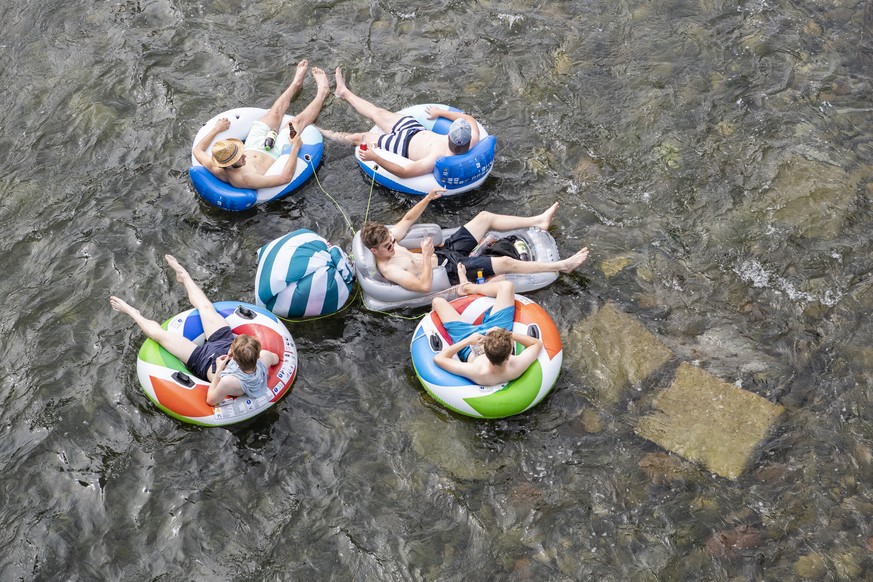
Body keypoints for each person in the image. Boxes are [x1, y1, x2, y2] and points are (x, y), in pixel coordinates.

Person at [109, 255, 279, 406]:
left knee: (159, 335)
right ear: (257, 354)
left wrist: (219, 369)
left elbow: (211, 400)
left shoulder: (229, 382)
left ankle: (133, 312)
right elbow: (277, 358)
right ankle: (183, 276)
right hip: (224, 341)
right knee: (206, 307)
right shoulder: (263, 358)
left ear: (232, 353)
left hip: (204, 361)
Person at [359, 187, 590, 293]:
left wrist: (428, 198)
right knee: (505, 264)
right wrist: (427, 256)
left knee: (484, 217)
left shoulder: (390, 241)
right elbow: (423, 286)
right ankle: (562, 266)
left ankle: (538, 221)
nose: (393, 245)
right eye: (388, 246)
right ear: (375, 251)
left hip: (445, 254)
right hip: (449, 272)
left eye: (392, 240)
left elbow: (408, 219)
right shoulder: (390, 269)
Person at [318, 67, 481, 178]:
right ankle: (344, 92)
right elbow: (468, 119)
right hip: (414, 129)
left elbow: (404, 172)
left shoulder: (438, 158)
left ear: (451, 136)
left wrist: (375, 157)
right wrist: (440, 112)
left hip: (400, 145)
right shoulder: (472, 139)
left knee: (359, 138)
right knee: (378, 112)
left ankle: (325, 133)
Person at [193, 60, 330, 190]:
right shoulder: (245, 179)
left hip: (253, 144)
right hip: (274, 153)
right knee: (295, 122)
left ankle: (296, 83)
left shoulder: (216, 164)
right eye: (240, 157)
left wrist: (216, 130)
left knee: (275, 112)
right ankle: (323, 92)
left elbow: (197, 150)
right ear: (228, 165)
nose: (244, 156)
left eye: (241, 152)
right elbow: (285, 178)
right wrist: (294, 148)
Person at [432, 271, 542, 386]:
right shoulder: (516, 366)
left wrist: (468, 341)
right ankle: (470, 288)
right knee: (507, 286)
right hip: (497, 329)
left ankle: (467, 286)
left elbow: (439, 358)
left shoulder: (477, 371)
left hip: (469, 343)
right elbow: (536, 344)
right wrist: (506, 334)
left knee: (437, 301)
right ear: (509, 355)